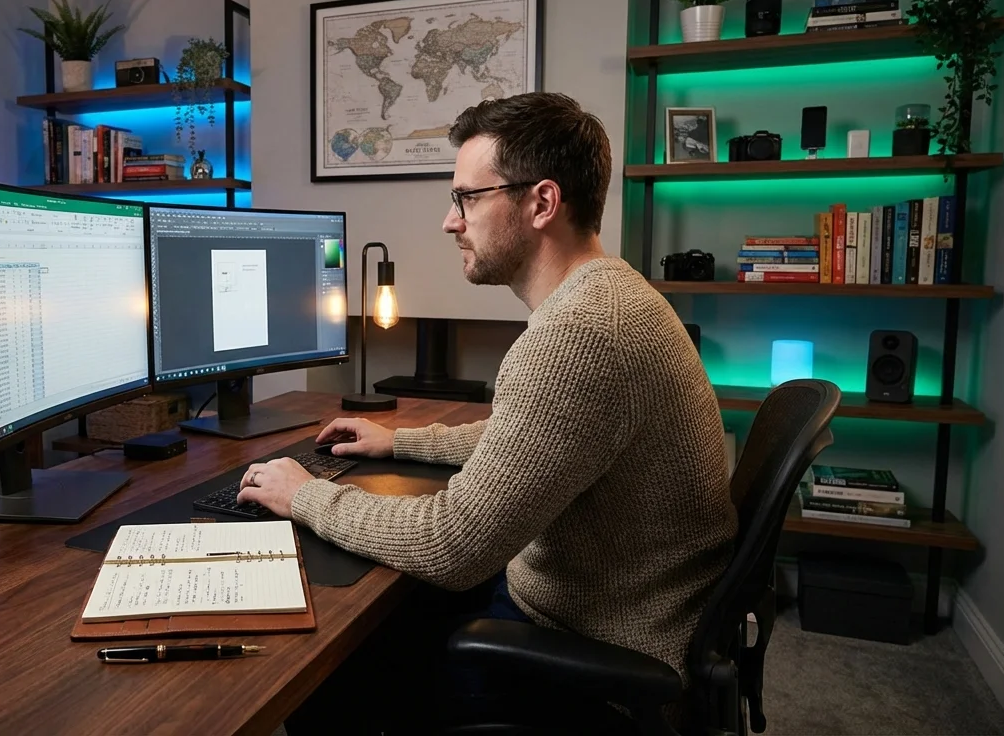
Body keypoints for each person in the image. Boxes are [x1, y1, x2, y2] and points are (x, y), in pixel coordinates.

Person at [237, 92, 736, 732]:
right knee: (386, 614)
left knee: (333, 672)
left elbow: (451, 547)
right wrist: (401, 442)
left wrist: (302, 494)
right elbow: (527, 438)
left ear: (541, 203)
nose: (451, 222)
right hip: (601, 614)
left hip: (593, 664)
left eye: (466, 198)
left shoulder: (579, 334)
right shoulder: (611, 295)